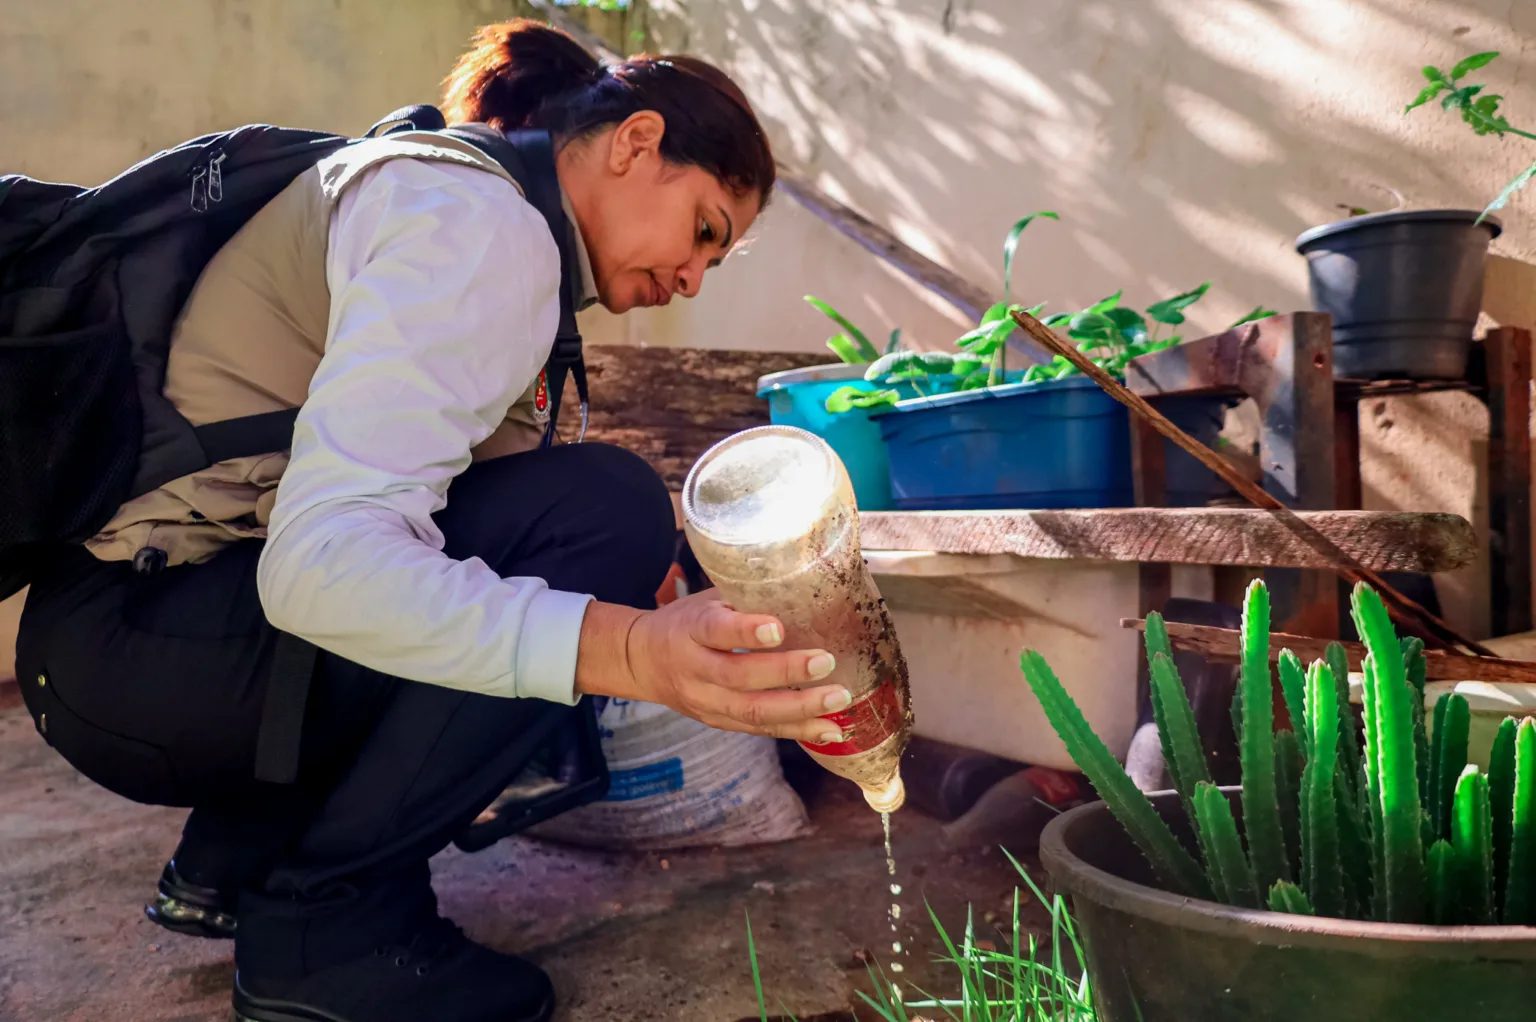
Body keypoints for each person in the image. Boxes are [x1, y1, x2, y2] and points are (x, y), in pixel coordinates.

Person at [12, 20, 851, 1022]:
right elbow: (323, 566)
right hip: (143, 646)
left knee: (571, 525)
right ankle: (330, 929)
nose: (693, 277)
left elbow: (434, 509)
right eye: (705, 230)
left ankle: (244, 851)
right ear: (636, 143)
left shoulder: (460, 197)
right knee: (606, 515)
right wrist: (631, 650)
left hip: (129, 636)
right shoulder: (478, 229)